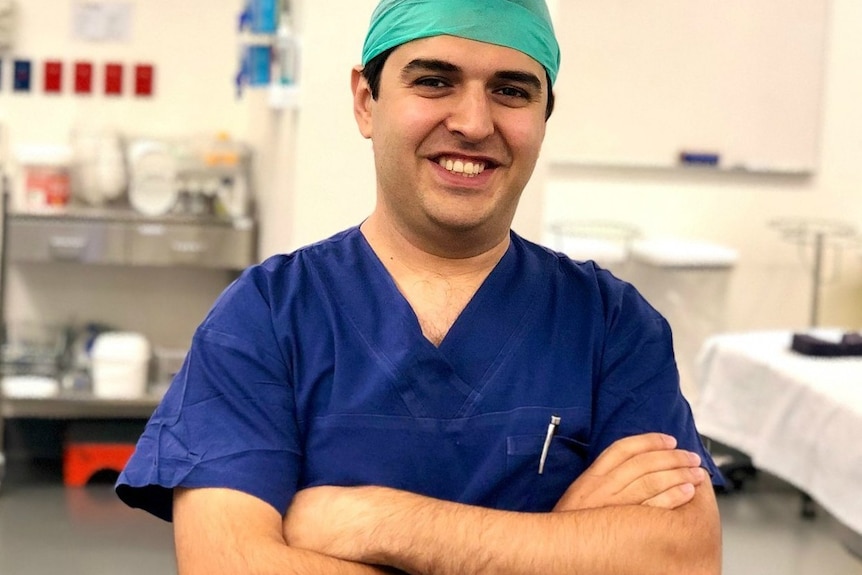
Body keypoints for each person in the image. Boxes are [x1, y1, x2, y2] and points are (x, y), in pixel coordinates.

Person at [117, 0, 723, 573]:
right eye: (434, 81)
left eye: (511, 91)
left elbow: (685, 558)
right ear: (365, 100)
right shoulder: (267, 317)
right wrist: (565, 544)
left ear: (543, 117)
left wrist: (376, 523)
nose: (473, 122)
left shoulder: (613, 326)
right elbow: (228, 565)